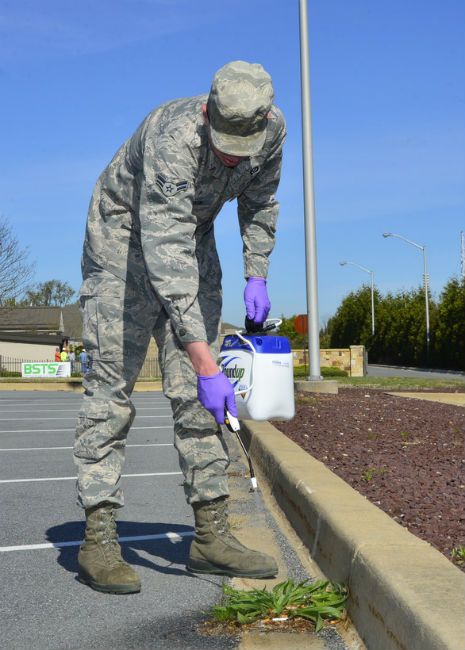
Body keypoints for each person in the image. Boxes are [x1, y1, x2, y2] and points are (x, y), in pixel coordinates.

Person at [74, 60, 286, 594]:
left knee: (197, 400)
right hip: (121, 244)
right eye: (221, 141)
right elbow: (163, 249)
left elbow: (260, 202)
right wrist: (206, 359)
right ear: (208, 111)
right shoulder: (174, 135)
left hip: (192, 237)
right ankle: (98, 539)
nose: (228, 153)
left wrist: (255, 274)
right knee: (110, 392)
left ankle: (211, 536)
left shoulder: (274, 131)